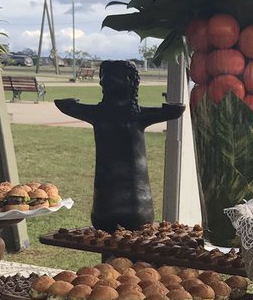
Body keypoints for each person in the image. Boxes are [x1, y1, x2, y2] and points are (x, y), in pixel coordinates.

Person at [54, 60, 183, 230]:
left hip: (135, 208)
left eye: (112, 77)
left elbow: (174, 111)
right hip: (107, 209)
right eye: (105, 78)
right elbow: (174, 110)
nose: (105, 81)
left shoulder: (131, 114)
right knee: (114, 224)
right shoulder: (109, 113)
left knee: (133, 226)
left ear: (130, 81)